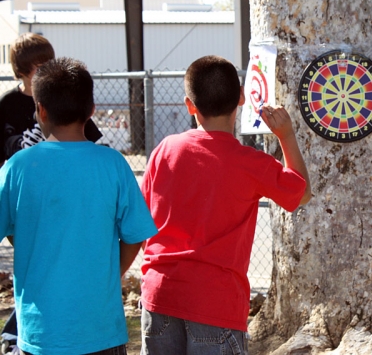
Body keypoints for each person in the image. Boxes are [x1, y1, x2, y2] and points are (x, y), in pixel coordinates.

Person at [140, 55, 312, 354]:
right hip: (216, 303)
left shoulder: (165, 149)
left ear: (189, 105)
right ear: (242, 97)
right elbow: (302, 192)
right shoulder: (252, 163)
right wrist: (286, 136)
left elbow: (141, 223)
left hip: (160, 295)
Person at [0, 57, 158, 355]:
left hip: (40, 333)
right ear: (92, 110)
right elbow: (135, 234)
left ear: (40, 110)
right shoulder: (113, 164)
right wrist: (111, 272)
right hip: (101, 331)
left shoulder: (17, 167)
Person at [0, 32, 102, 164]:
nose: (47, 70)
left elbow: (90, 141)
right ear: (21, 70)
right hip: (22, 177)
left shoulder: (63, 95)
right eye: (40, 67)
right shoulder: (7, 104)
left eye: (50, 64)